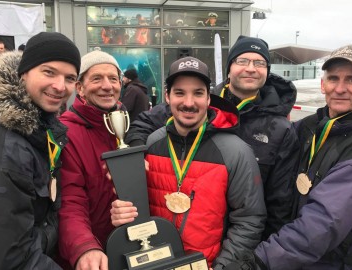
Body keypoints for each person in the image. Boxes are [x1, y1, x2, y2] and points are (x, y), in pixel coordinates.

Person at [124, 35, 299, 240]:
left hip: (241, 241)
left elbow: (280, 204)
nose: (251, 68)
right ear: (229, 67)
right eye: (242, 60)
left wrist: (257, 257)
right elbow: (143, 124)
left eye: (259, 62)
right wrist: (137, 155)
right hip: (193, 231)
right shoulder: (199, 101)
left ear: (267, 70)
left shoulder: (280, 128)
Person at [254, 45, 352, 269]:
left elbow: (322, 224)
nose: (340, 88)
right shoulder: (310, 127)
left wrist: (258, 261)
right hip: (303, 259)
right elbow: (272, 147)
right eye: (333, 78)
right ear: (323, 85)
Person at [111, 56, 267, 269]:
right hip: (157, 264)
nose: (189, 103)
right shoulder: (152, 143)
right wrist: (124, 211)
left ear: (209, 99)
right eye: (179, 93)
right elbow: (139, 208)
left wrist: (223, 267)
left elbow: (249, 220)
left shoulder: (235, 151)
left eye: (198, 93)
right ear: (167, 96)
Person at [0, 32, 81, 269]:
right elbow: (13, 259)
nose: (60, 86)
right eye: (49, 72)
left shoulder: (30, 126)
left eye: (69, 78)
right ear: (24, 71)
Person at [57, 50, 125, 270]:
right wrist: (84, 246)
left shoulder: (123, 126)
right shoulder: (67, 133)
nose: (107, 86)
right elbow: (70, 200)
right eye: (97, 78)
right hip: (91, 256)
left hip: (123, 247)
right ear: (80, 88)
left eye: (113, 79)